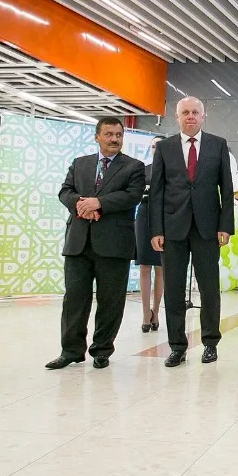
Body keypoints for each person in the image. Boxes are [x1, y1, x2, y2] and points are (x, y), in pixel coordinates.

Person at [46, 118, 147, 370]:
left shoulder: (134, 167)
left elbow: (132, 196)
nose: (114, 139)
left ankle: (102, 350)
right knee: (74, 299)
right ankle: (71, 351)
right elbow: (65, 191)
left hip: (114, 244)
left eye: (118, 135)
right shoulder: (80, 163)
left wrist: (99, 203)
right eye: (109, 134)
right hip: (78, 242)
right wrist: (81, 204)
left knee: (110, 301)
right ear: (97, 137)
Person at [150, 96, 235, 367]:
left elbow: (227, 187)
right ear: (177, 117)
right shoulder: (164, 147)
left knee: (209, 288)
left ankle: (210, 342)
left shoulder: (217, 144)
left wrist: (225, 226)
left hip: (207, 227)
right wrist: (156, 229)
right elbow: (157, 191)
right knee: (173, 289)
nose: (190, 116)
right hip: (172, 228)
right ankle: (177, 346)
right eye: (185, 112)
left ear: (203, 116)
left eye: (195, 112)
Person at [135, 136, 164, 333]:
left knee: (161, 266)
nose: (156, 149)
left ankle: (156, 311)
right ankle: (146, 313)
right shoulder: (143, 170)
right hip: (144, 216)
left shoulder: (173, 171)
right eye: (153, 146)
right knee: (144, 265)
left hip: (164, 218)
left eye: (159, 146)